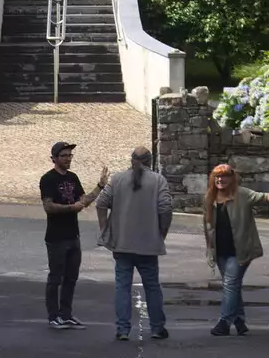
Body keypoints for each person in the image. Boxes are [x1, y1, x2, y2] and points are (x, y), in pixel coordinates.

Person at [204, 163, 269, 335]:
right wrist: (209, 248)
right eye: (217, 176)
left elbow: (263, 197)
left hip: (241, 251)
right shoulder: (210, 198)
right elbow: (207, 225)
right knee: (232, 285)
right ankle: (239, 320)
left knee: (230, 284)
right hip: (221, 251)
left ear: (232, 178)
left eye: (224, 176)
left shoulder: (242, 195)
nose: (220, 179)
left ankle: (224, 322)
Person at [96, 145, 173, 342]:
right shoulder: (158, 180)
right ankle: (157, 327)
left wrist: (105, 229)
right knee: (152, 286)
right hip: (148, 244)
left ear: (131, 159)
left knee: (122, 286)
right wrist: (161, 233)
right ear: (150, 160)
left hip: (122, 242)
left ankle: (122, 329)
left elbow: (101, 203)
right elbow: (165, 208)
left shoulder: (118, 179)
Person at [39, 140, 109, 332]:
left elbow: (83, 200)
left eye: (70, 155)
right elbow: (48, 206)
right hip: (56, 236)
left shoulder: (73, 178)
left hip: (73, 235)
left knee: (71, 277)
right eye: (64, 156)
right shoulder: (48, 179)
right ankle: (54, 316)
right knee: (56, 277)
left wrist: (100, 187)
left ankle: (66, 314)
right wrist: (71, 208)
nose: (68, 159)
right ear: (54, 158)